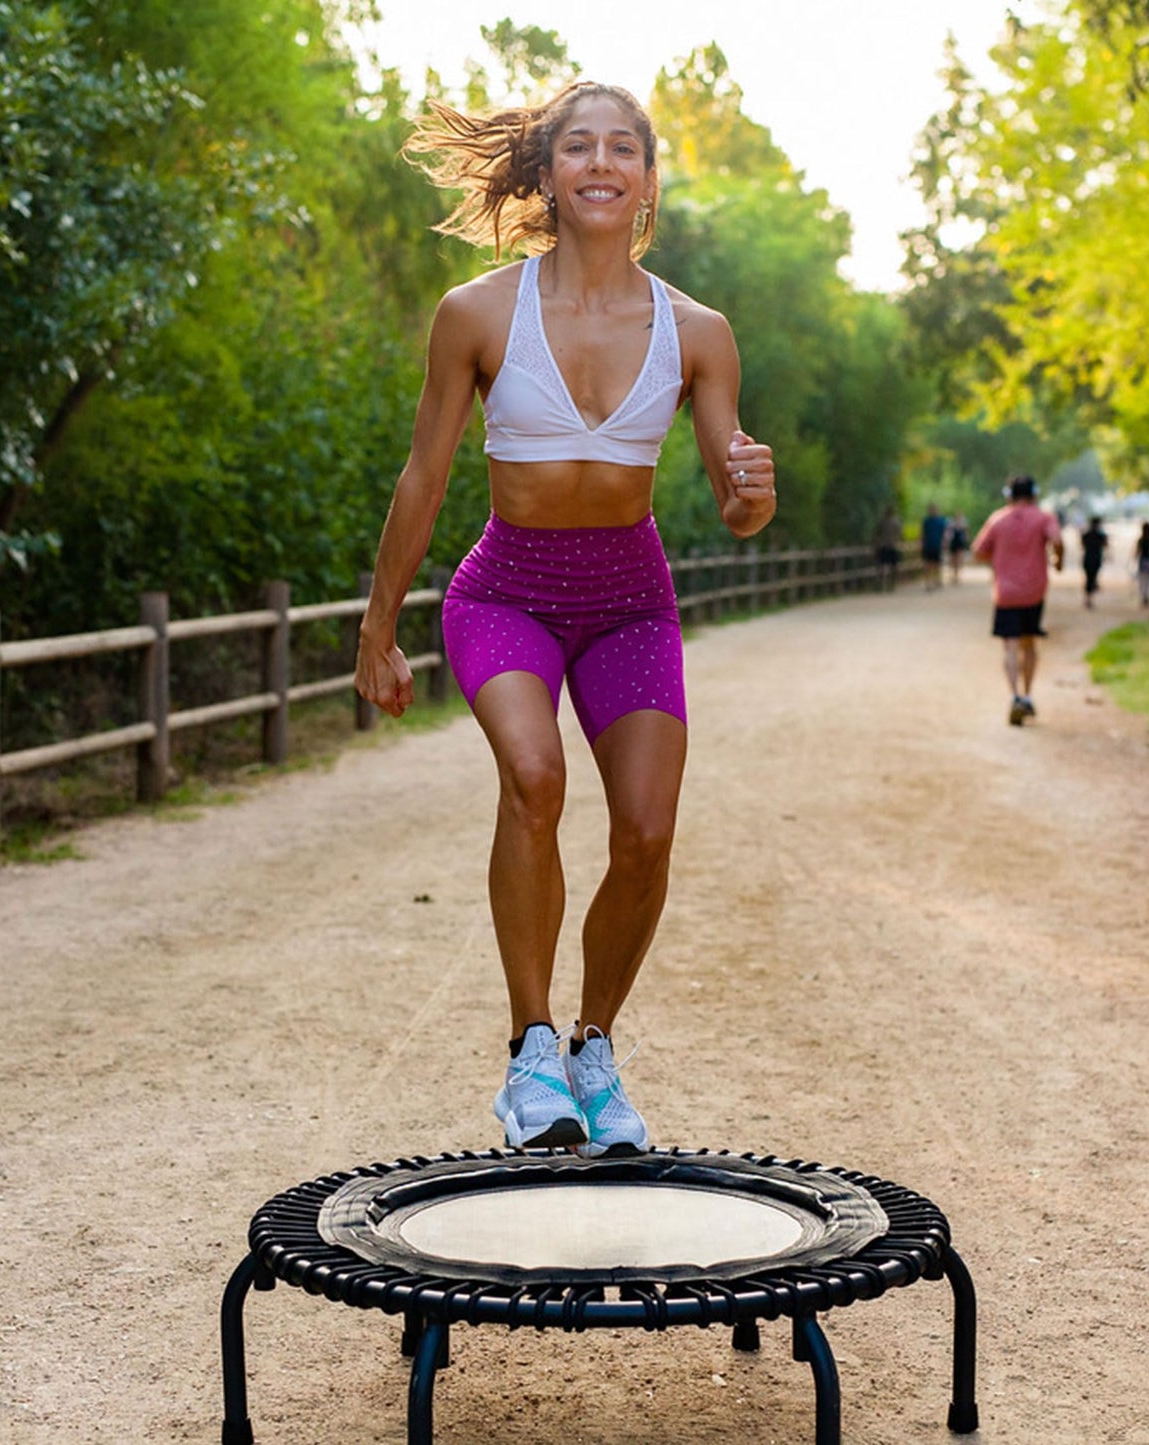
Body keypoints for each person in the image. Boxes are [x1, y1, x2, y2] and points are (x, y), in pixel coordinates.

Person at [353, 83, 777, 1157]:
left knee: (643, 831)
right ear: (545, 175)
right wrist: (374, 626)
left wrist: (752, 491)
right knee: (534, 779)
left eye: (622, 148)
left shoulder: (699, 333)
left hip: (628, 599)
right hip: (505, 592)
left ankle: (594, 1050)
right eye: (577, 146)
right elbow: (423, 473)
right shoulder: (479, 313)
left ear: (646, 179)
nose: (600, 162)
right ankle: (530, 1048)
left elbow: (736, 507)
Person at [971, 474, 1063, 726]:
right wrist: (1058, 561)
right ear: (1034, 494)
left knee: (1010, 646)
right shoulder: (1043, 518)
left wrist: (1000, 558)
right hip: (1034, 591)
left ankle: (1014, 696)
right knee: (1029, 643)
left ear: (1008, 495)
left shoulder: (997, 519)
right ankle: (1028, 695)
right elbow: (1057, 541)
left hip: (1005, 593)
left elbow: (978, 551)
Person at [1080, 516, 1109, 608]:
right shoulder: (1101, 535)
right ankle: (1089, 597)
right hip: (1096, 559)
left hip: (1088, 558)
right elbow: (1105, 545)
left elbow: (1082, 545)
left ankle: (1089, 597)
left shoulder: (1086, 535)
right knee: (1092, 578)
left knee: (1089, 578)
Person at [872, 504, 901, 591]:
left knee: (884, 566)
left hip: (887, 546)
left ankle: (885, 584)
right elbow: (899, 534)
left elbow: (876, 533)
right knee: (888, 566)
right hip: (888, 546)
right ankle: (887, 584)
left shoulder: (886, 522)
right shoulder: (893, 522)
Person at [920, 503, 948, 591]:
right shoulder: (926, 521)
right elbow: (923, 533)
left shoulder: (941, 521)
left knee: (937, 564)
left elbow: (944, 533)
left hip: (937, 545)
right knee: (928, 564)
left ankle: (937, 580)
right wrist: (921, 543)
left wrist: (944, 543)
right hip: (928, 545)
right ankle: (928, 582)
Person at [1134, 521, 1149, 607]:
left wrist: (1133, 560)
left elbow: (1137, 552)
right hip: (1148, 561)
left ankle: (1144, 597)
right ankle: (1148, 596)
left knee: (1142, 580)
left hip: (1142, 561)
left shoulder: (1141, 539)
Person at [946, 511, 970, 585]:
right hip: (953, 543)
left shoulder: (963, 524)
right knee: (953, 560)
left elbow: (966, 533)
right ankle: (954, 575)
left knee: (959, 559)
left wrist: (966, 540)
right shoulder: (951, 524)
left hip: (959, 543)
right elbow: (948, 534)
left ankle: (957, 575)